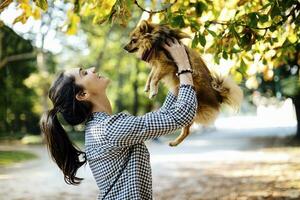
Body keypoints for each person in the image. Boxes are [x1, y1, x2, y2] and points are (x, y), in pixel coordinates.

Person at [40, 39, 198, 200]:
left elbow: (164, 116)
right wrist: (184, 66)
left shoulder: (102, 127)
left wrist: (177, 73)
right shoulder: (108, 129)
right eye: (84, 73)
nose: (92, 69)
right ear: (82, 95)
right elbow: (181, 115)